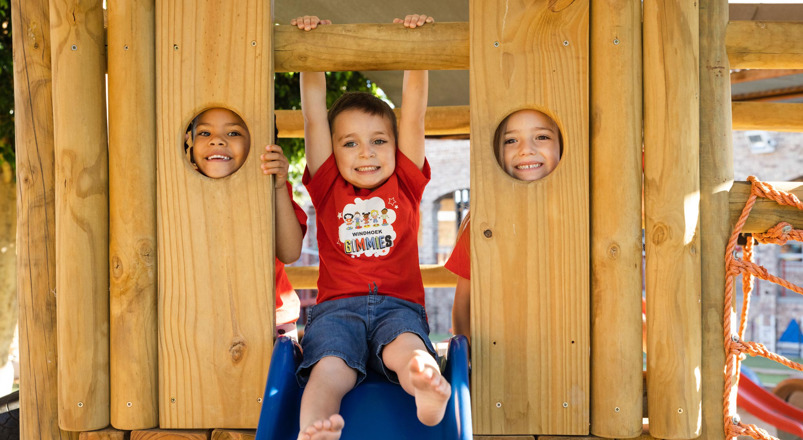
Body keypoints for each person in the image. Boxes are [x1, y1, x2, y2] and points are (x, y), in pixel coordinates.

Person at [292, 14, 451, 440]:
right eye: (350, 142)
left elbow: (414, 117)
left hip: (398, 306)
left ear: (396, 149)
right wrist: (312, 52)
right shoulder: (327, 186)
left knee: (408, 351)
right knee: (329, 369)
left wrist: (415, 51)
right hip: (336, 311)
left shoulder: (407, 183)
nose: (366, 152)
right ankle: (316, 430)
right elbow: (312, 120)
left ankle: (426, 388)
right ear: (334, 150)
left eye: (379, 140)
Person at [187, 106, 307, 338]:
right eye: (204, 133)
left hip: (270, 320)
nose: (217, 141)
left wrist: (279, 186)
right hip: (201, 323)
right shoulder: (180, 193)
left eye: (233, 133)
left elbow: (290, 252)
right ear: (188, 143)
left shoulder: (270, 189)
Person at [447, 109, 563, 342]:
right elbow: (463, 305)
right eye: (510, 140)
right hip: (500, 351)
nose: (526, 149)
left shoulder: (582, 213)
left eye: (541, 137)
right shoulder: (482, 222)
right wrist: (469, 355)